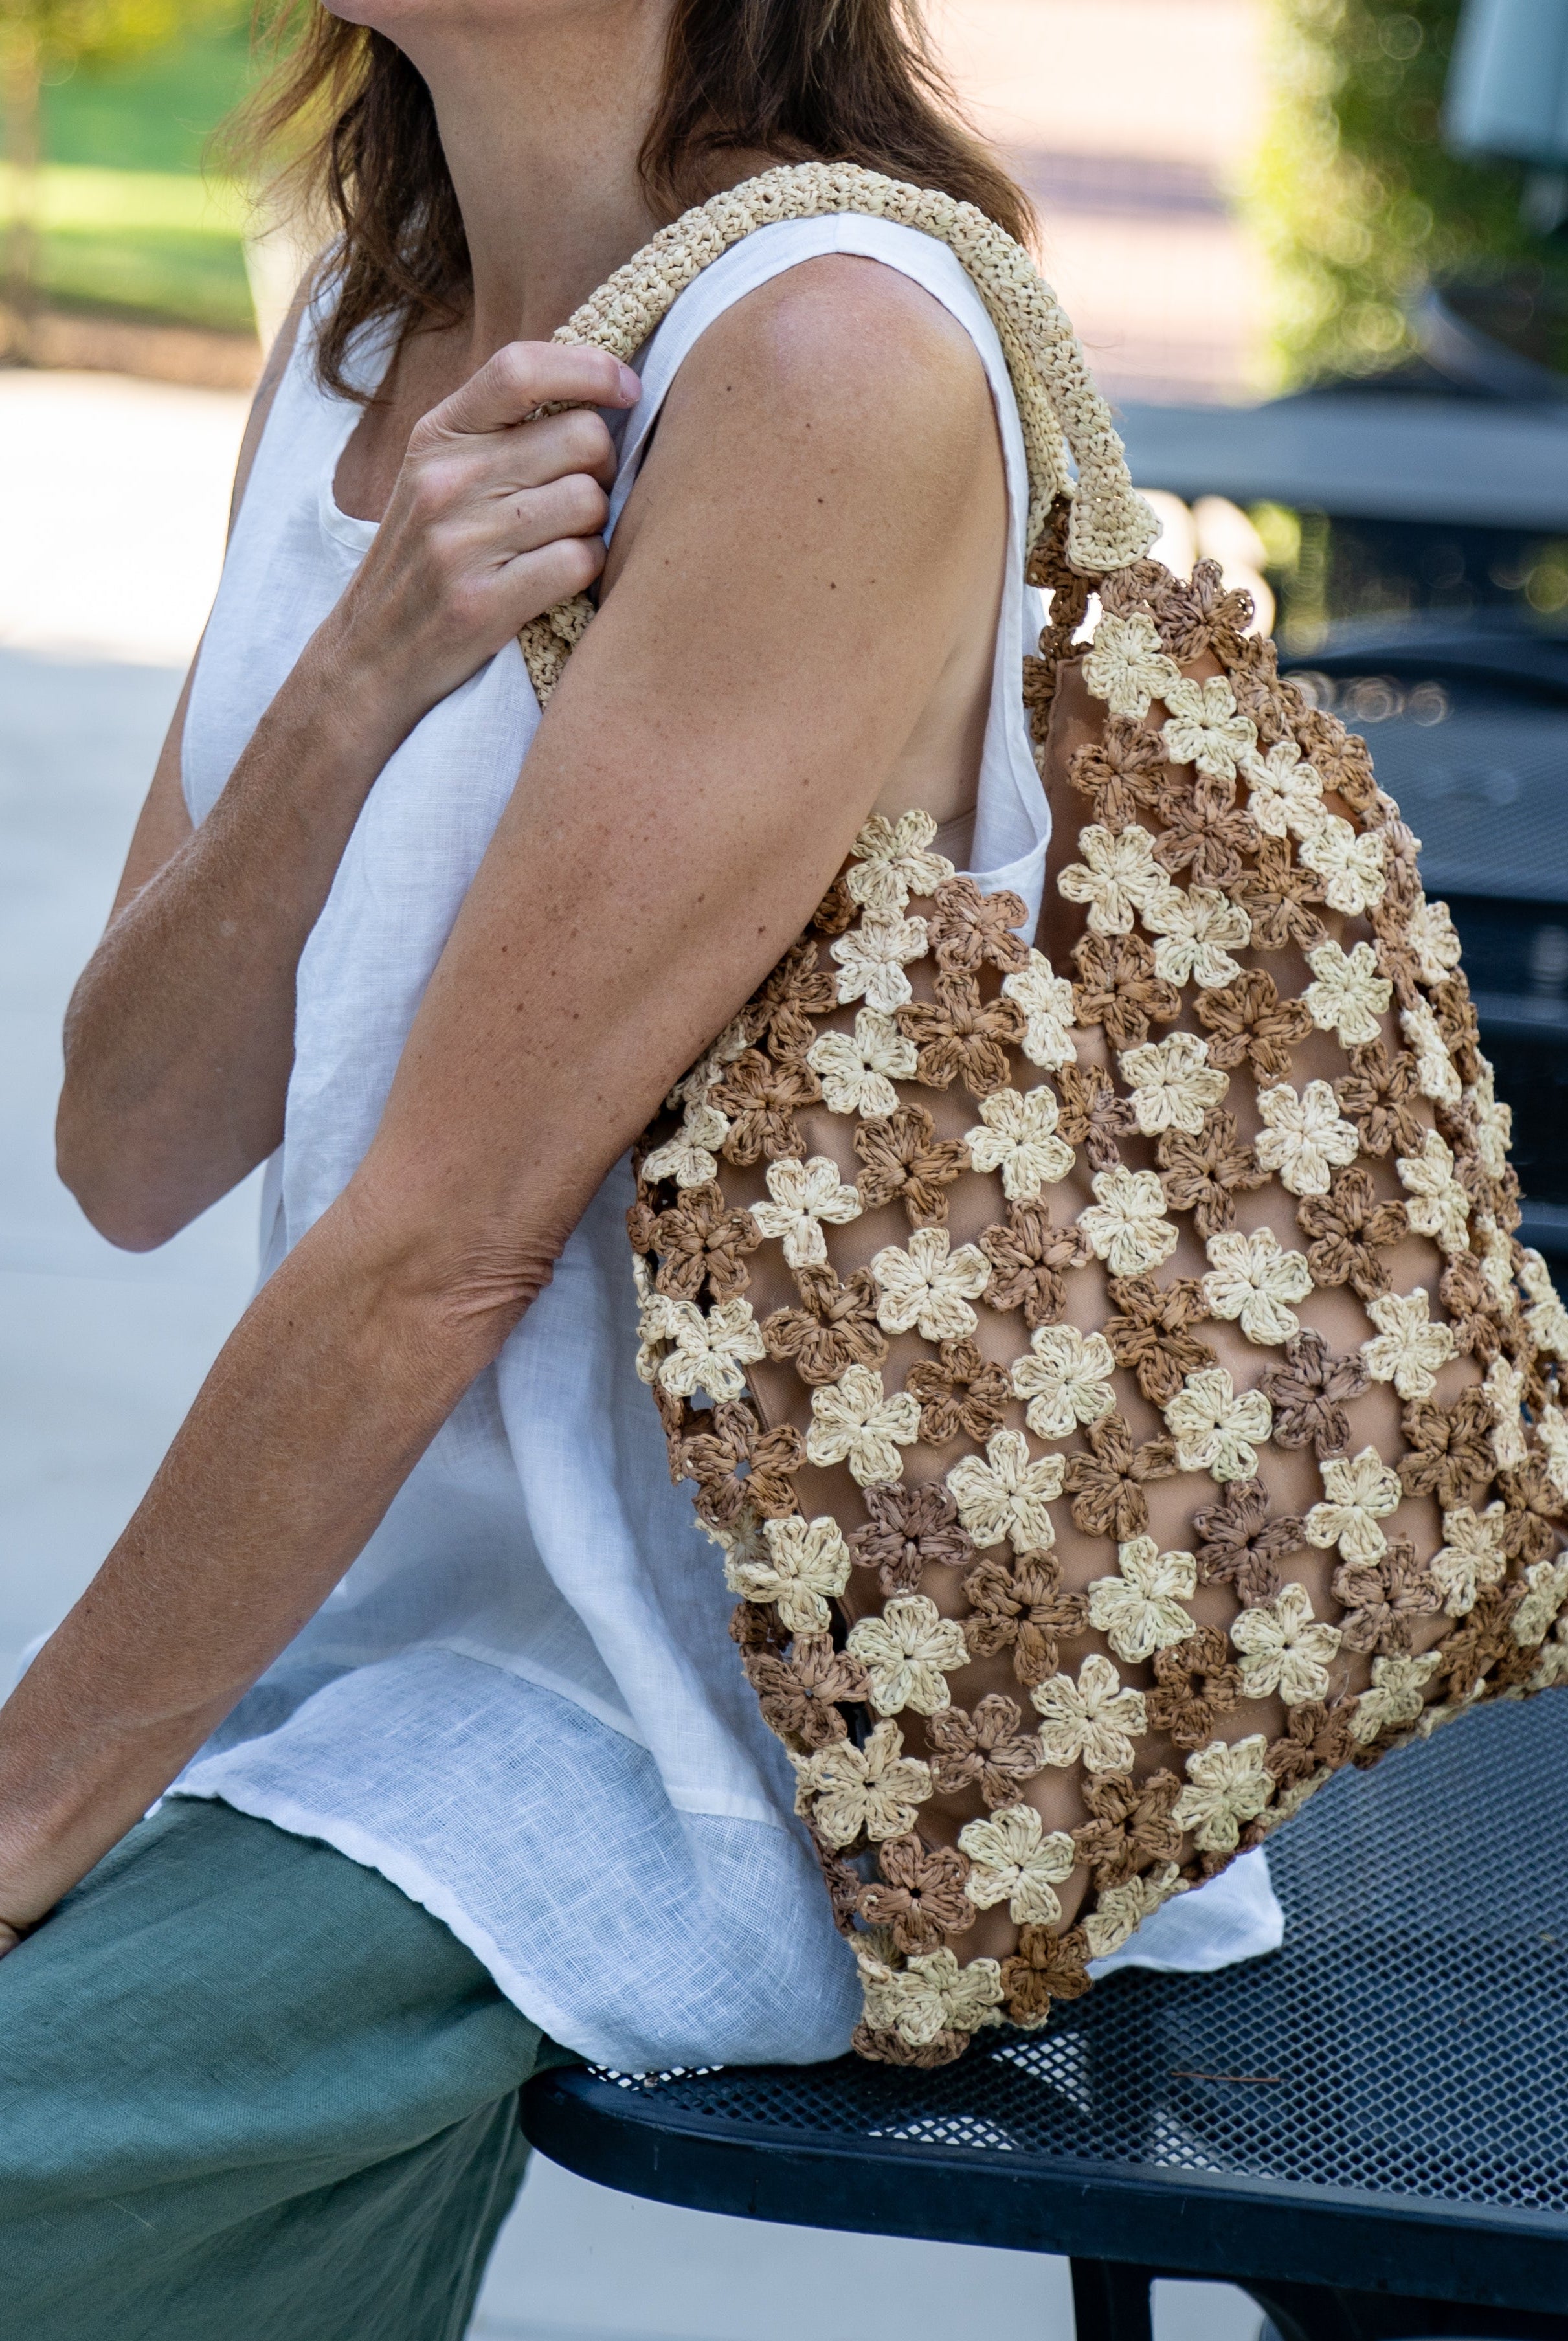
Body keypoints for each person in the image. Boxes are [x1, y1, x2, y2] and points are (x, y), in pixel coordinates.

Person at [0, 0, 1278, 2326]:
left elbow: (441, 1260)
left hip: (741, 1719)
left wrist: (16, 1822)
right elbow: (132, 1142)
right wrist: (363, 673)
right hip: (358, 1632)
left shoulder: (829, 361)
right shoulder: (366, 323)